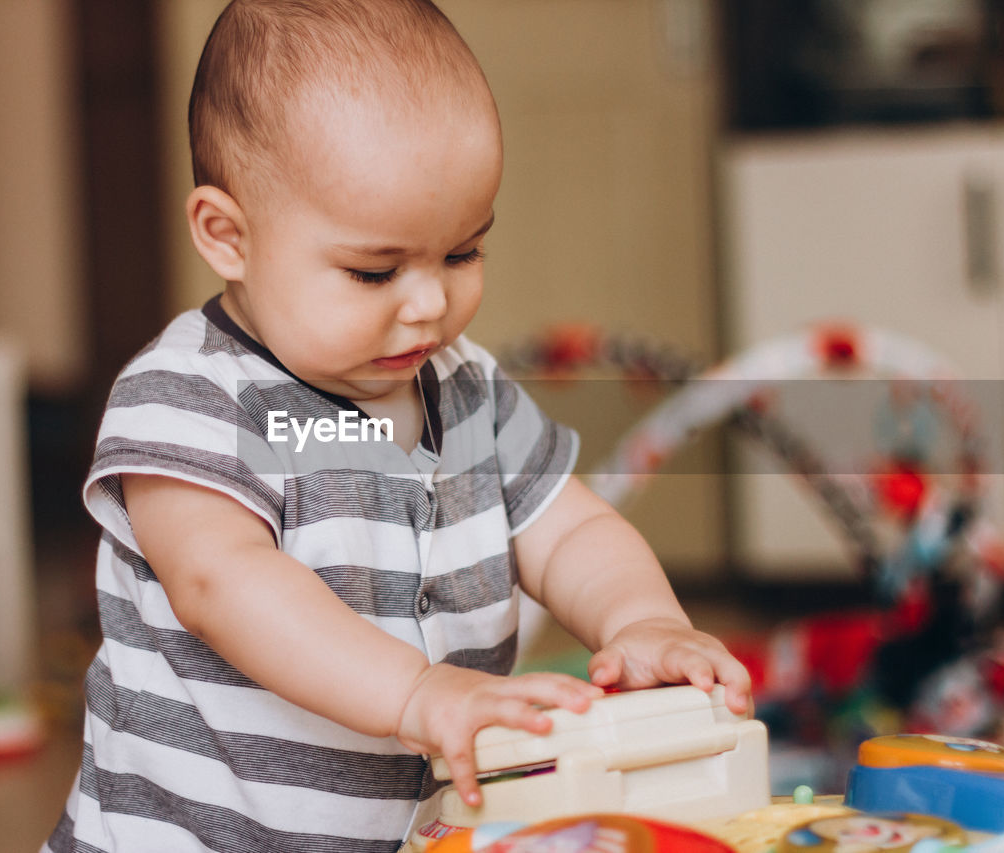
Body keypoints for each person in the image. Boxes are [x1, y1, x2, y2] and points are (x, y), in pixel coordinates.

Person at [45, 1, 751, 851]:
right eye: (374, 271)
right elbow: (221, 583)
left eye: (462, 253)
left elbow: (568, 531)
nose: (429, 304)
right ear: (228, 236)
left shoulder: (466, 393)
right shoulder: (191, 395)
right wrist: (417, 693)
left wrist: (642, 620)